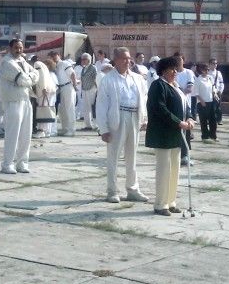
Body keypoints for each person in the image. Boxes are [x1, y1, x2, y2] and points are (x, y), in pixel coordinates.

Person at [96, 47, 149, 203]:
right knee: (113, 157)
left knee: (132, 157)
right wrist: (104, 129)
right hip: (116, 119)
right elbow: (101, 105)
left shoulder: (138, 79)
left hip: (134, 116)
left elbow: (143, 99)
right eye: (124, 58)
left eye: (129, 58)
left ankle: (133, 189)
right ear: (116, 60)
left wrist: (144, 119)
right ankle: (112, 191)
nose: (127, 61)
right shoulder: (108, 79)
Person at [145, 56, 194, 216]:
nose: (175, 72)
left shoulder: (176, 86)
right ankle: (160, 204)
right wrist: (179, 122)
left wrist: (190, 118)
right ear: (163, 70)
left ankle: (171, 201)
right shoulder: (158, 86)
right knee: (164, 169)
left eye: (176, 69)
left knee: (175, 169)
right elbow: (160, 109)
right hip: (163, 134)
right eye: (171, 69)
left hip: (177, 135)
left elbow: (186, 105)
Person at [0, 39, 38, 174]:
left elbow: (36, 74)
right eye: (16, 48)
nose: (19, 50)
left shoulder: (23, 61)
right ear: (10, 48)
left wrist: (28, 78)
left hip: (26, 99)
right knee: (12, 134)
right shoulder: (6, 62)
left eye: (21, 48)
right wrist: (29, 78)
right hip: (13, 101)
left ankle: (22, 163)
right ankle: (8, 163)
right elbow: (21, 80)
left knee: (26, 134)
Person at [173, 53, 196, 164]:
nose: (178, 62)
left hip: (186, 105)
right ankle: (177, 155)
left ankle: (185, 155)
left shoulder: (189, 73)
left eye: (180, 60)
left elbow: (189, 89)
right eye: (176, 60)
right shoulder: (173, 73)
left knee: (186, 132)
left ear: (183, 61)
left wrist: (178, 90)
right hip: (174, 107)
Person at [52, 52, 78, 136]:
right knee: (63, 110)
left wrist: (74, 85)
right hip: (61, 88)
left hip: (68, 87)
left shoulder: (64, 63)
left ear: (59, 56)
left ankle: (71, 129)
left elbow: (72, 74)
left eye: (55, 55)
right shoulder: (56, 66)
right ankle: (65, 128)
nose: (54, 58)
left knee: (69, 109)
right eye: (52, 56)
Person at [34, 57, 58, 137]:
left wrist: (44, 88)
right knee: (47, 110)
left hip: (44, 91)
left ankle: (41, 131)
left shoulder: (37, 65)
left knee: (43, 110)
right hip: (49, 92)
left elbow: (42, 78)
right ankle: (47, 131)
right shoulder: (45, 69)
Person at [194, 63, 218, 142]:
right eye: (205, 70)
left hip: (211, 101)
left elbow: (213, 87)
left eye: (208, 70)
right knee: (203, 120)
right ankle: (205, 136)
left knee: (213, 120)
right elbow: (196, 93)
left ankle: (213, 136)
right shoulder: (198, 80)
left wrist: (215, 94)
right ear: (202, 70)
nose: (207, 71)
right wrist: (201, 101)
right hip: (202, 102)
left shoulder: (210, 78)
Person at [78, 53, 99, 130]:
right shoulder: (83, 68)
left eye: (84, 59)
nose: (82, 61)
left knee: (93, 107)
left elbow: (96, 78)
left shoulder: (93, 68)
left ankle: (96, 125)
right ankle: (88, 125)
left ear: (88, 60)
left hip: (92, 89)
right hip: (84, 89)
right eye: (82, 59)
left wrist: (97, 89)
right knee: (86, 108)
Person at [206, 58, 225, 124]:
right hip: (208, 92)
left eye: (216, 63)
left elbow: (221, 82)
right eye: (213, 63)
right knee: (209, 106)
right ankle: (209, 119)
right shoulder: (207, 72)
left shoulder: (218, 73)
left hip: (217, 91)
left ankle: (219, 120)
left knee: (218, 106)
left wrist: (220, 91)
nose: (215, 65)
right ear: (210, 64)